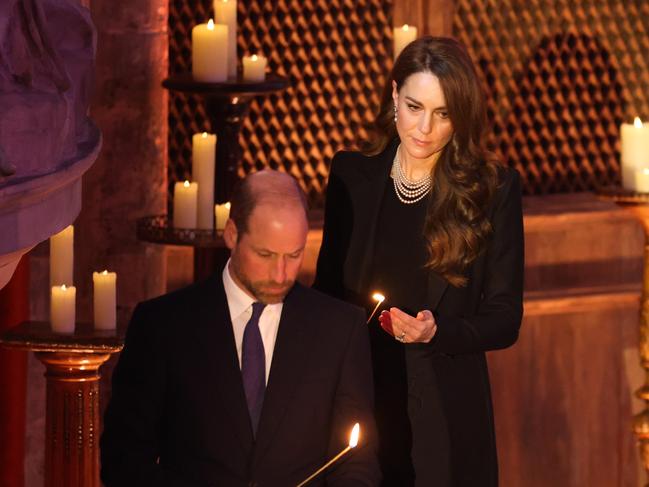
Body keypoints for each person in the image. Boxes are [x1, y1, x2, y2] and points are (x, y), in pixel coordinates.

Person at [313, 36, 524, 486]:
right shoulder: (352, 174)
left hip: (445, 414)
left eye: (442, 113)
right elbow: (325, 298)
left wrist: (438, 330)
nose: (424, 128)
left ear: (460, 116)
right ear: (393, 96)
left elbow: (506, 318)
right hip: (360, 406)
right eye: (414, 107)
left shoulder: (493, 190)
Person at [100, 170, 381, 486]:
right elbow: (123, 459)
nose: (280, 274)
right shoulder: (162, 324)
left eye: (294, 255)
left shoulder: (340, 328)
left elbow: (357, 462)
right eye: (265, 254)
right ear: (232, 234)